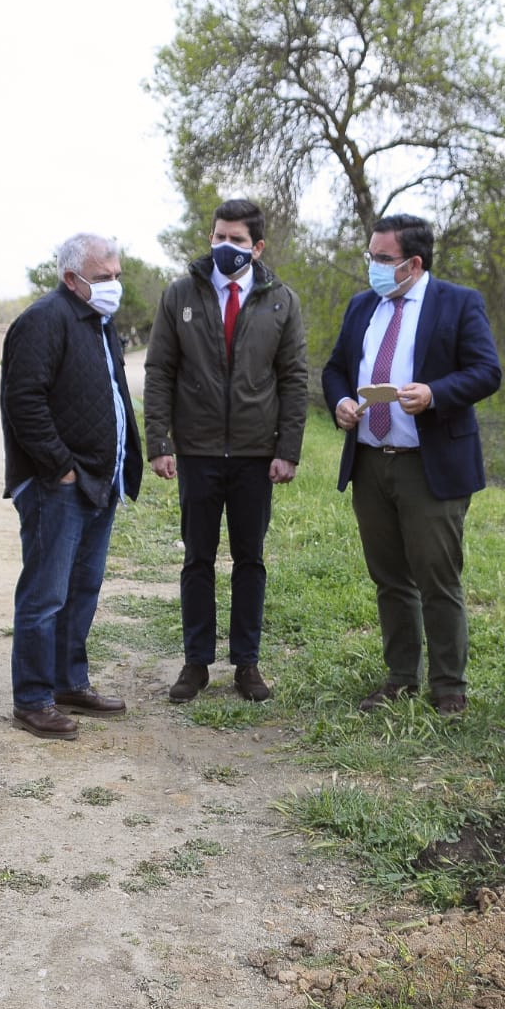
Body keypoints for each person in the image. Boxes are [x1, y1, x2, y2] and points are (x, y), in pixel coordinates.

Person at [321, 214, 502, 714]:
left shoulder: (457, 303)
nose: (373, 267)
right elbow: (336, 368)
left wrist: (435, 393)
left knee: (436, 576)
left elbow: (487, 371)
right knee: (390, 577)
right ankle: (401, 675)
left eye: (383, 259)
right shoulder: (363, 307)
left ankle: (449, 687)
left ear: (413, 263)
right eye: (371, 257)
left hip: (429, 465)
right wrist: (338, 401)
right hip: (370, 460)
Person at [145, 199, 308, 705]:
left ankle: (247, 664)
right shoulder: (180, 295)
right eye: (219, 236)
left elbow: (295, 378)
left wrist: (288, 448)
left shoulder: (281, 300)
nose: (225, 247)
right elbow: (159, 371)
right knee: (197, 558)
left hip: (257, 454)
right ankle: (195, 664)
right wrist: (160, 442)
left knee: (249, 559)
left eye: (237, 240)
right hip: (196, 451)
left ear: (257, 247)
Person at [1, 232, 143, 741]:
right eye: (104, 278)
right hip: (57, 486)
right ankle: (33, 699)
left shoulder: (100, 324)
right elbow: (25, 402)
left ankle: (68, 682)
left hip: (99, 484)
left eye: (116, 276)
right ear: (71, 278)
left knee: (83, 588)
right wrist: (59, 467)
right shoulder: (44, 319)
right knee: (45, 595)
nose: (114, 286)